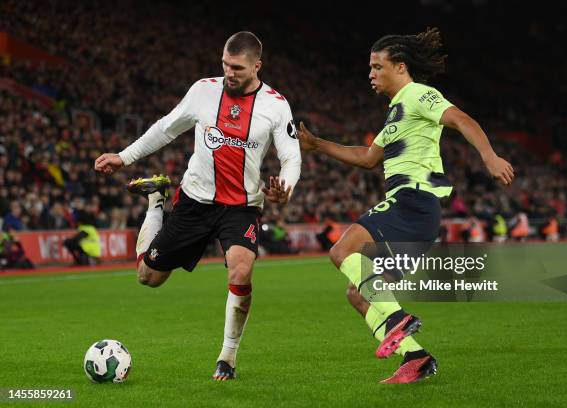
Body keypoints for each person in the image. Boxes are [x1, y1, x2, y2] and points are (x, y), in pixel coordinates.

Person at [298, 27, 514, 384]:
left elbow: (462, 119)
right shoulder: (397, 112)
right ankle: (416, 357)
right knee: (359, 293)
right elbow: (369, 157)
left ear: (400, 67)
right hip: (415, 211)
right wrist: (318, 144)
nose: (370, 74)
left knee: (342, 251)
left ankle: (398, 321)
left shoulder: (418, 94)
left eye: (376, 66)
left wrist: (489, 157)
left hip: (413, 200)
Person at [94, 32, 301, 381]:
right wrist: (124, 157)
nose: (229, 72)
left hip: (242, 207)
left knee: (241, 269)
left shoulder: (275, 105)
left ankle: (227, 358)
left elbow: (291, 156)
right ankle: (156, 201)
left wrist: (287, 187)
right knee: (148, 277)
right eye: (225, 64)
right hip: (194, 202)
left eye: (237, 67)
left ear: (257, 66)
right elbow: (167, 128)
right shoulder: (204, 90)